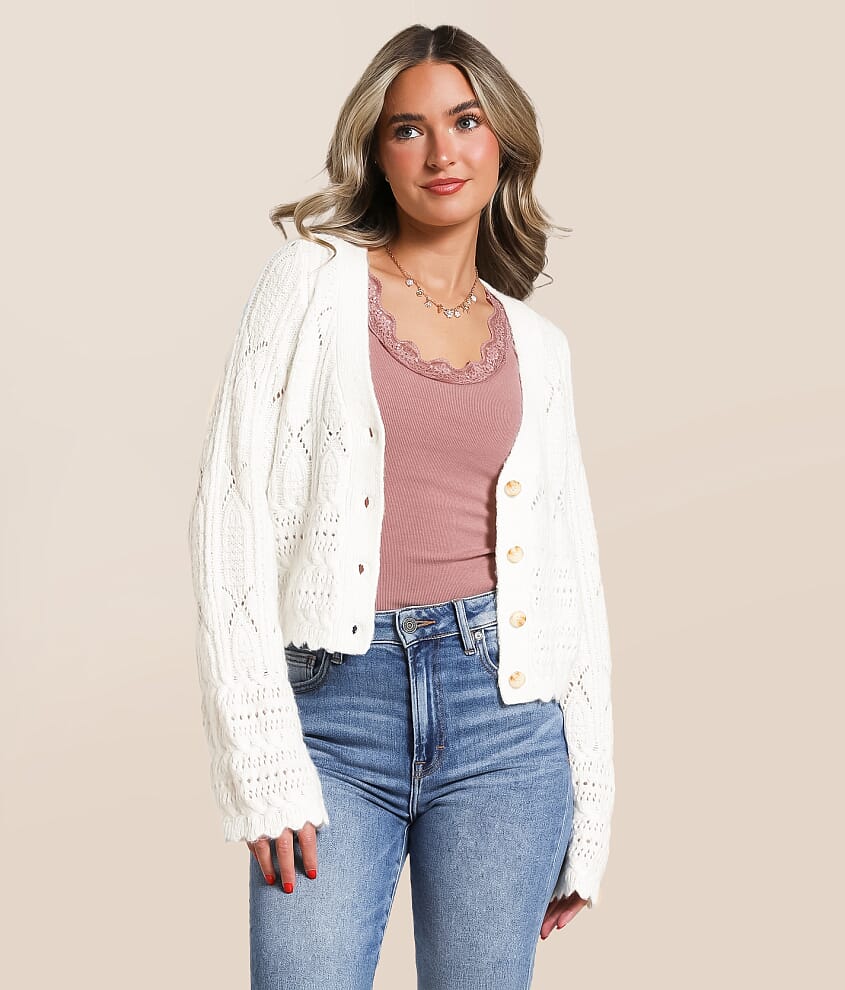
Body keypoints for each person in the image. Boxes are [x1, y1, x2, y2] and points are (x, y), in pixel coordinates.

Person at [188, 23, 615, 990]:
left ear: (501, 142)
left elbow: (572, 578)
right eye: (407, 129)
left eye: (464, 122)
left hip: (505, 721)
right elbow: (228, 515)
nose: (440, 152)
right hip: (333, 715)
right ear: (376, 155)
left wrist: (588, 808)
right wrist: (260, 755)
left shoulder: (539, 347)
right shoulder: (310, 282)